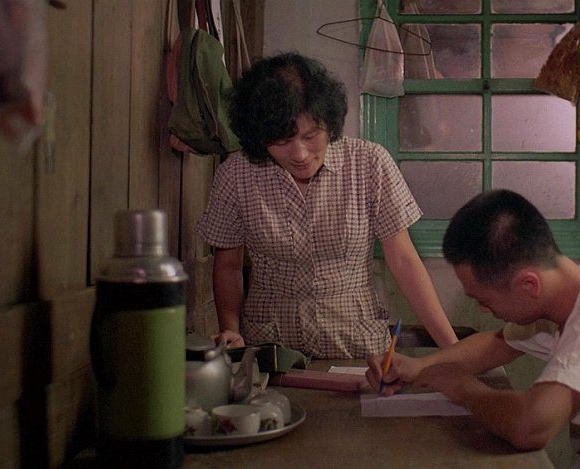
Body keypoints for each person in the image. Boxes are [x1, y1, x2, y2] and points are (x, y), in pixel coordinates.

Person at [366, 189, 580, 468]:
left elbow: (530, 427)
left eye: (484, 300)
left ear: (528, 285)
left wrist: (464, 389)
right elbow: (497, 343)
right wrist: (420, 367)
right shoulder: (577, 285)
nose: (484, 310)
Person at [196, 52, 458, 359]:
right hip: (270, 346)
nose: (300, 154)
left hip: (357, 343)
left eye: (310, 136)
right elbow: (227, 266)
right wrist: (231, 331)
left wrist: (454, 352)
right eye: (282, 141)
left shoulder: (369, 163)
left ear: (329, 123)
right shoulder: (236, 173)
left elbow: (404, 261)